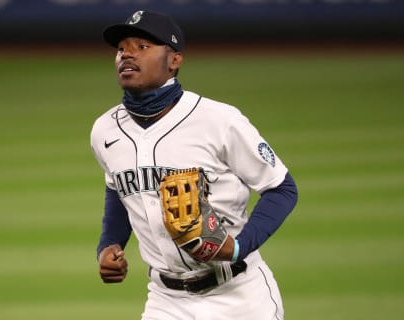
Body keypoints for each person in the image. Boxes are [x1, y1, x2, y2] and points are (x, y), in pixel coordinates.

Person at [90, 10, 298, 320]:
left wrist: (239, 247)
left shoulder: (219, 121)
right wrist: (109, 245)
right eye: (121, 48)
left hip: (239, 297)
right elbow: (117, 190)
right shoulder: (104, 130)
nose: (127, 54)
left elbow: (282, 188)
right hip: (166, 301)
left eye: (142, 46)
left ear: (174, 60)